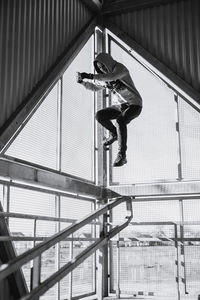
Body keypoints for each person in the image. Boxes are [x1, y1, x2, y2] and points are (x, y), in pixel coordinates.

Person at [77, 52, 142, 167]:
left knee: (120, 121)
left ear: (108, 63)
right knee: (100, 115)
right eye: (99, 68)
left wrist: (90, 76)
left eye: (103, 66)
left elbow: (112, 77)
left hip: (134, 104)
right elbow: (94, 87)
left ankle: (122, 155)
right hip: (119, 107)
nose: (102, 69)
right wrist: (83, 82)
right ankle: (114, 134)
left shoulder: (120, 69)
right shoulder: (103, 79)